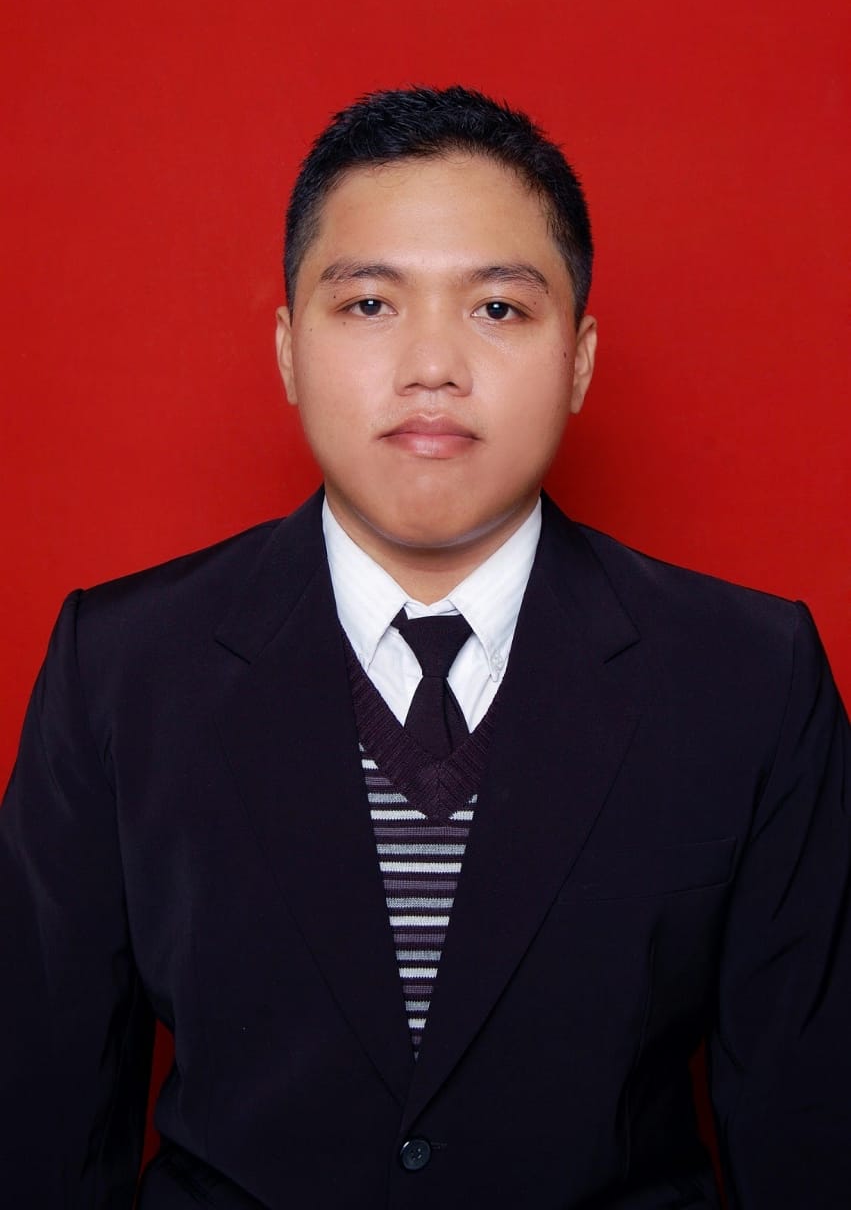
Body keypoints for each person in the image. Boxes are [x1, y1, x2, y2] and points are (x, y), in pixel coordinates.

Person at [1, 86, 848, 1210]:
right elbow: (42, 1122)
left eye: (497, 307)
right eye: (368, 303)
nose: (432, 364)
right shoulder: (119, 667)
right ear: (288, 349)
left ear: (579, 358)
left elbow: (810, 1130)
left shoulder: (749, 674)